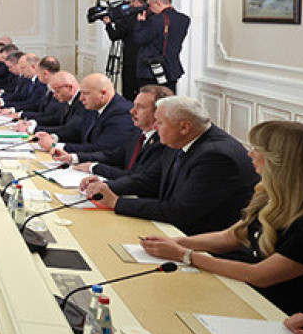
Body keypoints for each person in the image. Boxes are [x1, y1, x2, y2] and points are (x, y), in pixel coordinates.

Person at [141, 121, 303, 326]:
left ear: (281, 161)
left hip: (286, 318)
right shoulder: (270, 198)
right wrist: (175, 242)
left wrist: (185, 255)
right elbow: (231, 237)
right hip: (248, 298)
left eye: (257, 149)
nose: (249, 153)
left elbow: (260, 276)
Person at [83, 96, 259, 235]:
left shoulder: (216, 156)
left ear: (184, 127)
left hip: (201, 239)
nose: (155, 127)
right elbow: (149, 179)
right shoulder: (181, 140)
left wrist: (116, 202)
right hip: (174, 229)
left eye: (159, 122)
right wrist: (106, 186)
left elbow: (180, 211)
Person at [63, 85, 176, 182]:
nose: (132, 111)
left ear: (159, 113)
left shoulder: (163, 142)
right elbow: (113, 156)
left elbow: (138, 178)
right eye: (134, 105)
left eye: (140, 107)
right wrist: (74, 157)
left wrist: (94, 168)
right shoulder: (138, 132)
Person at [34, 73, 134, 154]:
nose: (81, 98)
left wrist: (57, 146)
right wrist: (54, 137)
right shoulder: (95, 106)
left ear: (103, 94)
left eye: (86, 94)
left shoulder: (121, 113)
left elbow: (101, 149)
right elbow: (77, 133)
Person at [133, 0, 190, 92]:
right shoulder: (184, 19)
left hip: (151, 70)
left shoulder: (156, 20)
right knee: (169, 98)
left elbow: (138, 39)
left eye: (150, 5)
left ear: (158, 3)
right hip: (171, 68)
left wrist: (140, 22)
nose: (149, 8)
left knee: (150, 99)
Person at [104, 0, 148, 99]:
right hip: (147, 60)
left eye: (131, 2)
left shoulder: (129, 18)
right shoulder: (152, 16)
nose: (129, 5)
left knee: (129, 88)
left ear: (137, 2)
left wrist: (108, 24)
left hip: (130, 58)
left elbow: (114, 36)